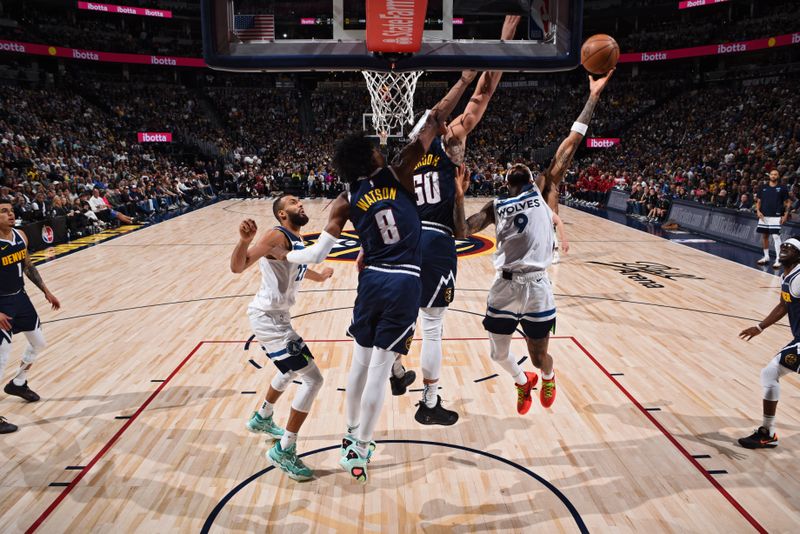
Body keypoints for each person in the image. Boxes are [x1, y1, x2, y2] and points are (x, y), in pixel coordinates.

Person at [271, 110, 445, 484]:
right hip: (404, 282)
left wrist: (286, 255)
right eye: (375, 150)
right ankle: (362, 445)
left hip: (371, 283)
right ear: (372, 159)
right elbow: (427, 132)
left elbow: (317, 254)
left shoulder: (344, 200)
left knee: (360, 365)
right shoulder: (396, 172)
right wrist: (448, 101)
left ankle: (350, 434)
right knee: (381, 371)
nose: (381, 151)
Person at [455, 71, 613, 414]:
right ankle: (521, 380)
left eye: (521, 164)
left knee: (540, 354)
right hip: (505, 286)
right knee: (497, 353)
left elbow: (569, 145)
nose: (517, 165)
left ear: (528, 175)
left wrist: (593, 97)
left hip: (538, 286)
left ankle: (548, 374)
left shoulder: (542, 189)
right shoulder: (495, 206)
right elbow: (462, 232)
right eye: (512, 165)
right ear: (506, 178)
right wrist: (457, 196)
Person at [410, 15, 521, 426]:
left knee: (405, 317)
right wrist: (504, 40)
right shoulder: (452, 140)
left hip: (407, 239)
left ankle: (391, 371)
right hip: (438, 239)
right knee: (434, 325)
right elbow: (483, 94)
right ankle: (429, 400)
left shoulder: (408, 153)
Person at [229, 195, 333, 481]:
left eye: (298, 200)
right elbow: (239, 266)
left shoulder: (294, 240)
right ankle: (284, 450)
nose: (299, 203)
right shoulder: (276, 235)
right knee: (313, 379)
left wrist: (319, 277)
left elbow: (296, 267)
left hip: (277, 318)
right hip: (268, 320)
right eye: (292, 202)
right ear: (281, 214)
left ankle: (262, 418)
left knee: (289, 370)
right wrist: (242, 241)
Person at [0, 201, 61, 434]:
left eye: (11, 210)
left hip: (20, 298)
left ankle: (18, 383)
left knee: (39, 343)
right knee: (2, 357)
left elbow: (27, 265)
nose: (10, 214)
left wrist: (46, 290)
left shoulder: (21, 235)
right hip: (1, 302)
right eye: (3, 211)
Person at [738, 238, 800, 449]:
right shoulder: (788, 275)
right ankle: (768, 432)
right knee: (770, 374)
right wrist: (760, 326)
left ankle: (767, 432)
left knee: (769, 373)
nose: (784, 248)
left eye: (791, 248)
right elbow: (783, 305)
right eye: (783, 245)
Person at [755, 170, 790, 269]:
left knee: (775, 236)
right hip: (764, 215)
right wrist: (758, 211)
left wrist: (785, 215)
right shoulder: (763, 187)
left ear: (778, 176)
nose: (773, 176)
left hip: (776, 215)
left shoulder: (782, 188)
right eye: (772, 174)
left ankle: (778, 259)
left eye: (775, 174)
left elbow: (787, 202)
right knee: (765, 236)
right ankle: (766, 257)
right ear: (769, 175)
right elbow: (758, 201)